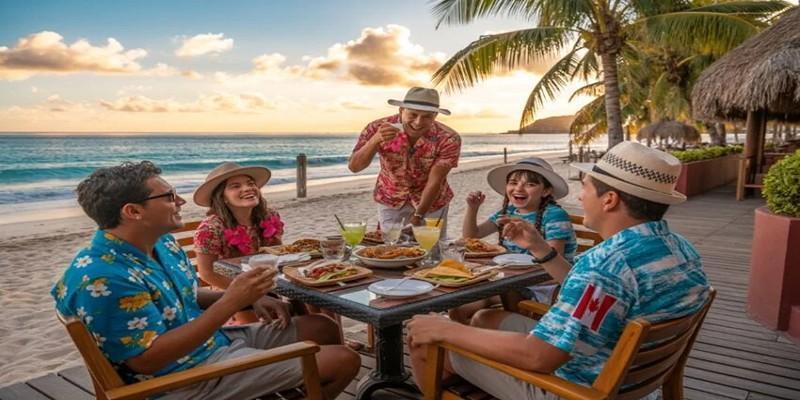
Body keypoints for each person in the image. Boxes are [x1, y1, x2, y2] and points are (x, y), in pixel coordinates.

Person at [407, 142, 710, 400]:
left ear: (609, 200)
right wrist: (540, 248)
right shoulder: (681, 249)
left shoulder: (606, 265)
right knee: (485, 318)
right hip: (627, 374)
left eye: (585, 187)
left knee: (427, 343)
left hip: (576, 388)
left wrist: (446, 330)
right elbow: (592, 293)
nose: (579, 197)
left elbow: (540, 356)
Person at [51, 161, 359, 400]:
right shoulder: (104, 278)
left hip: (208, 344)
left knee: (322, 327)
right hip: (182, 378)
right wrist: (232, 302)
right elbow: (147, 361)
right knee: (344, 360)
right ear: (133, 211)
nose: (181, 201)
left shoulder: (160, 243)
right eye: (169, 196)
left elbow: (185, 296)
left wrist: (252, 298)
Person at [450, 157, 577, 324]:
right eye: (513, 182)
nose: (519, 188)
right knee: (457, 309)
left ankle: (502, 332)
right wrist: (472, 208)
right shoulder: (508, 211)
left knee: (489, 308)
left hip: (543, 285)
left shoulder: (554, 215)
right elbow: (471, 237)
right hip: (511, 281)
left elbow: (553, 260)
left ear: (546, 191)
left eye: (530, 184)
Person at [348, 87, 461, 236]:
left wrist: (419, 215)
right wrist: (375, 140)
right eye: (413, 114)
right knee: (390, 245)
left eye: (427, 116)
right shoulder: (376, 128)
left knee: (431, 246)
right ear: (401, 110)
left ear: (435, 116)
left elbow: (435, 181)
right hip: (390, 199)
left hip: (432, 202)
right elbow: (354, 167)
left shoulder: (448, 138)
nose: (418, 122)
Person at [192, 162, 283, 324]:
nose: (247, 188)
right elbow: (207, 273)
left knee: (314, 302)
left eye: (250, 183)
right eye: (235, 186)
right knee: (261, 324)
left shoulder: (269, 216)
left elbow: (278, 252)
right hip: (229, 288)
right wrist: (249, 293)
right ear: (222, 197)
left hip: (268, 282)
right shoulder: (210, 229)